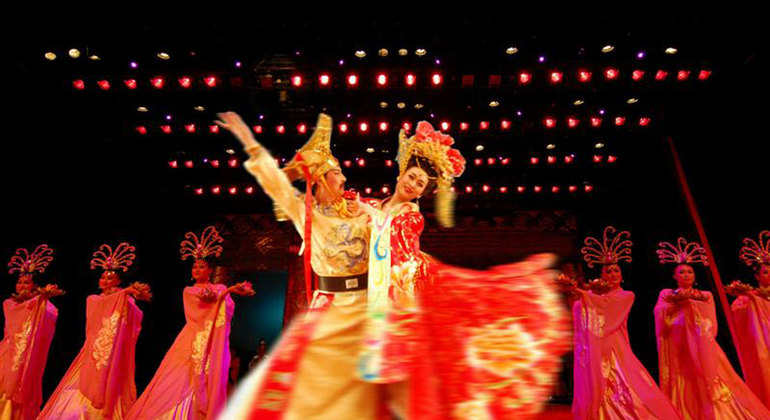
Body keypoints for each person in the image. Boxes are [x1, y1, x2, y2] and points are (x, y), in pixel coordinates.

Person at [356, 121, 570, 419]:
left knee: (400, 378)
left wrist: (368, 216)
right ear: (401, 172)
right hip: (368, 293)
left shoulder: (411, 217)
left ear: (421, 193)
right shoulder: (373, 204)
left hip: (399, 297)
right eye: (412, 176)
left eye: (420, 184)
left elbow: (397, 253)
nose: (413, 184)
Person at [126, 226, 254, 420]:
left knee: (210, 376)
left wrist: (229, 292)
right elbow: (204, 301)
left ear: (211, 270)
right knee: (179, 378)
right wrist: (229, 291)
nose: (197, 269)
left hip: (212, 342)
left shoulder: (219, 288)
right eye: (195, 267)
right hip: (191, 338)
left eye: (202, 266)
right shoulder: (189, 290)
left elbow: (220, 303)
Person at [569, 227, 680, 419]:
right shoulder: (594, 296)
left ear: (621, 275)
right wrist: (580, 294)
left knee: (623, 380)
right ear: (602, 275)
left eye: (616, 271)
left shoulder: (626, 295)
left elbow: (605, 308)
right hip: (596, 347)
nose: (612, 274)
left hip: (615, 345)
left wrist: (581, 292)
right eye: (608, 271)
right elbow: (584, 308)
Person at [654, 237, 770, 419]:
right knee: (685, 381)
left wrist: (690, 305)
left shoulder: (705, 295)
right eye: (682, 272)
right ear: (674, 276)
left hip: (702, 344)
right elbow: (660, 314)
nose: (686, 275)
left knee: (713, 377)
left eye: (690, 272)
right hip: (680, 347)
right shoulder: (667, 294)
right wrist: (676, 303)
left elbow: (709, 321)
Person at [39, 242, 151, 419]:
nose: (105, 281)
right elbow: (100, 310)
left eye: (111, 278)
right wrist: (124, 294)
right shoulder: (93, 299)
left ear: (119, 281)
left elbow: (134, 321)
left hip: (115, 355)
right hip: (93, 352)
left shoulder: (126, 301)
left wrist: (127, 296)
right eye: (103, 278)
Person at [0, 244, 63, 420]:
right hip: (7, 353)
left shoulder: (46, 307)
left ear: (35, 286)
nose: (21, 286)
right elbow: (17, 318)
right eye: (19, 282)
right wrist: (39, 300)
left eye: (26, 282)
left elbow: (45, 321)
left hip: (27, 357)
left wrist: (42, 300)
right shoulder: (10, 304)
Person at [727, 230, 770, 408]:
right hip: (763, 345)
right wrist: (749, 297)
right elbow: (738, 313)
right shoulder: (748, 296)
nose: (769, 275)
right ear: (757, 276)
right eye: (766, 272)